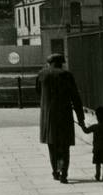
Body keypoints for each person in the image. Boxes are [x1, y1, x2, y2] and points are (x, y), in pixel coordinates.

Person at [35, 52, 85, 183]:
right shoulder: (67, 75)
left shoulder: (42, 74)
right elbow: (76, 97)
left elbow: (38, 92)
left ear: (48, 63)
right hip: (64, 115)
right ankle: (64, 173)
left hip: (48, 117)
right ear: (62, 63)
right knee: (64, 146)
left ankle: (55, 171)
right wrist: (81, 118)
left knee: (52, 146)